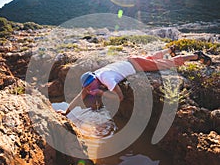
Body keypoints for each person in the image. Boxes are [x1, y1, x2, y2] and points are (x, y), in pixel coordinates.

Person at [63, 47, 212, 115]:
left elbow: (120, 98)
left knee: (165, 64)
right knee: (151, 58)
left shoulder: (105, 78)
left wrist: (101, 93)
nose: (89, 90)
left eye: (90, 87)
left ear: (95, 81)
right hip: (131, 60)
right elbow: (80, 95)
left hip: (137, 65)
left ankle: (195, 56)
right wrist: (66, 112)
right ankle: (169, 50)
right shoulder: (93, 77)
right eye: (88, 88)